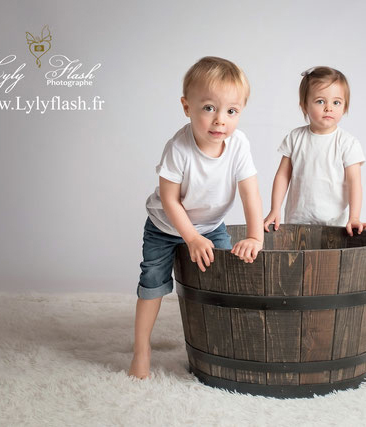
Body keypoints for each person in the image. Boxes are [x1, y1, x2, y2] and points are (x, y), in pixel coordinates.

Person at [129, 56, 263, 380]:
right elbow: (170, 200)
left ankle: (217, 344)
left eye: (231, 111)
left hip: (209, 225)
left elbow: (249, 192)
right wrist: (189, 237)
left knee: (223, 278)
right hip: (166, 226)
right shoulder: (178, 148)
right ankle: (141, 348)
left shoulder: (238, 144)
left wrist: (255, 236)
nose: (220, 120)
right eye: (209, 108)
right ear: (186, 106)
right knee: (153, 283)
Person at [263, 66, 366, 235]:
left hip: (334, 223)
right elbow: (282, 176)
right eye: (320, 101)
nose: (329, 108)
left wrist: (354, 217)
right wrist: (274, 209)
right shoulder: (295, 137)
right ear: (304, 106)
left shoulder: (347, 143)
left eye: (336, 102)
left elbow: (354, 182)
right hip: (297, 220)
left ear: (344, 107)